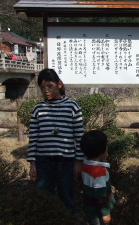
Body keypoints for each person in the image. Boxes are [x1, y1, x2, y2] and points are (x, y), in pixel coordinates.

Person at [27, 68, 84, 214]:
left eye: (49, 86)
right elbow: (33, 138)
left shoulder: (72, 106)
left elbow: (79, 137)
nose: (46, 90)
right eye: (42, 87)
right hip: (43, 161)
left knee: (67, 198)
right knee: (43, 198)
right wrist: (32, 164)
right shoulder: (37, 109)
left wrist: (78, 162)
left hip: (66, 162)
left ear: (59, 84)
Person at [81, 130, 115, 225]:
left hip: (89, 208)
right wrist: (105, 213)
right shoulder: (99, 172)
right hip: (99, 213)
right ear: (102, 151)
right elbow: (100, 195)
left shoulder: (85, 166)